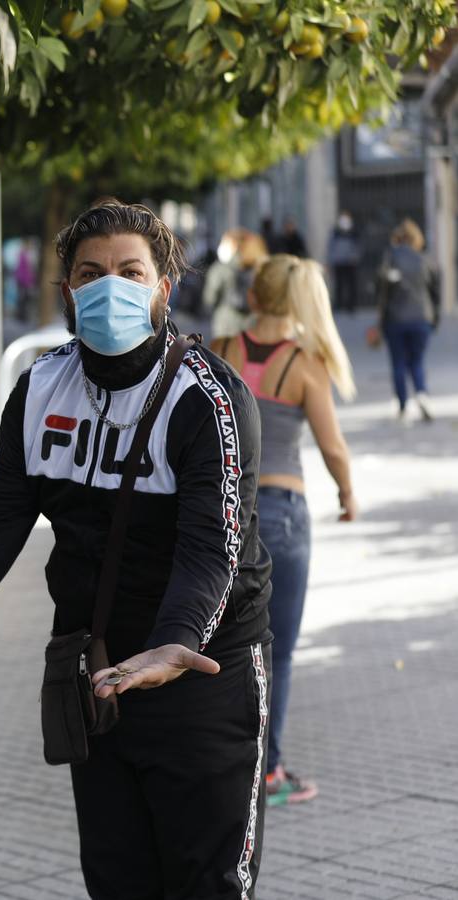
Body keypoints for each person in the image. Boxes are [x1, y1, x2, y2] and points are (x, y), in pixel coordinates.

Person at [0, 202, 273, 899]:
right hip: (96, 675)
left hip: (200, 672)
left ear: (164, 288)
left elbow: (212, 550)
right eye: (91, 274)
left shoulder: (208, 399)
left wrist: (173, 641)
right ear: (66, 293)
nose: (110, 287)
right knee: (118, 881)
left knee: (207, 885)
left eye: (130, 272)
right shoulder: (39, 388)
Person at [210, 255, 357, 807]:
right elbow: (333, 447)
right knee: (278, 649)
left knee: (217, 639)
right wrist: (348, 494)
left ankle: (219, 761)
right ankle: (267, 772)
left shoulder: (219, 351)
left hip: (219, 512)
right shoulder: (305, 364)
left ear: (253, 295)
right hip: (281, 510)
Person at [375, 219, 440, 421]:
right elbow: (435, 292)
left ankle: (403, 404)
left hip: (396, 319)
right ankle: (421, 392)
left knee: (398, 363)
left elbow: (381, 291)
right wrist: (434, 318)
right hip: (422, 318)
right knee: (417, 361)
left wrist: (381, 319)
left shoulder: (391, 258)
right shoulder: (426, 260)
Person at [204, 227, 268, 338]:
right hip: (253, 325)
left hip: (226, 325)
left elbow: (209, 298)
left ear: (233, 245)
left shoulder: (221, 268)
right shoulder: (260, 267)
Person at [327, 211, 362, 313]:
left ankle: (351, 306)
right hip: (339, 262)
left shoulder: (354, 232)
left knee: (351, 285)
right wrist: (331, 260)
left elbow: (358, 247)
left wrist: (355, 257)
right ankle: (339, 305)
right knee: (339, 284)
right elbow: (330, 247)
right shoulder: (335, 232)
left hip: (350, 262)